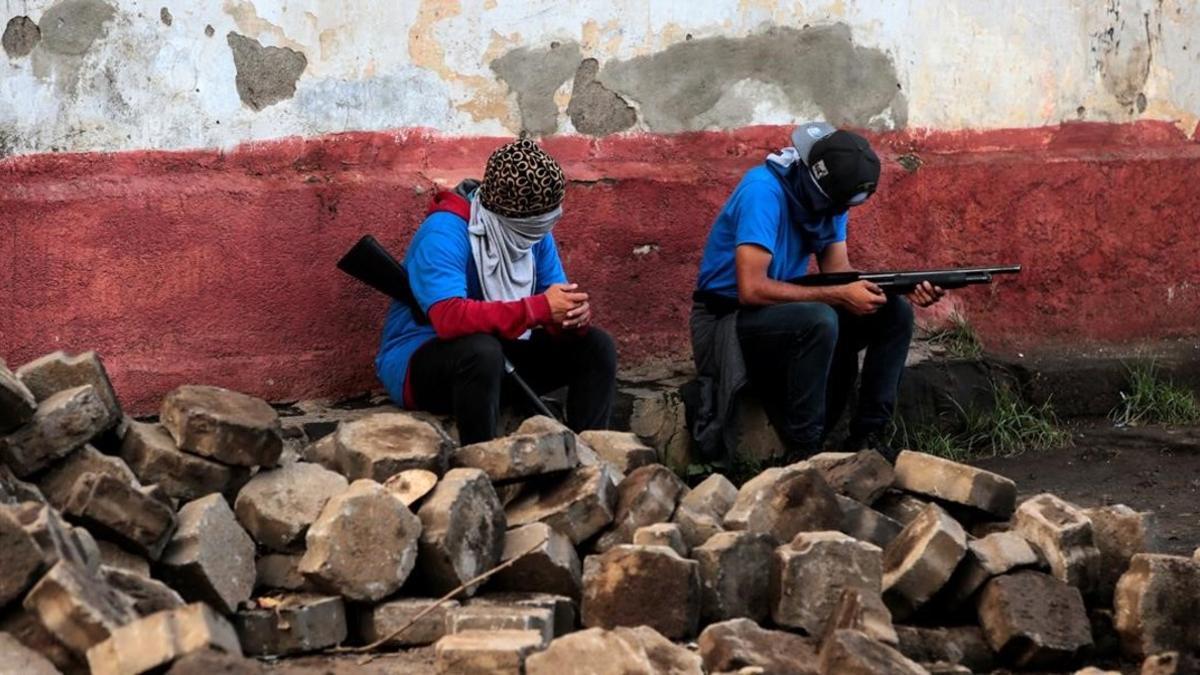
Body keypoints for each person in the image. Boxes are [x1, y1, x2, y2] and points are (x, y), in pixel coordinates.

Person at [690, 122, 944, 464]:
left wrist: (897, 289)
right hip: (727, 320)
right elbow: (751, 290)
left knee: (894, 313)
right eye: (835, 206)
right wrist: (839, 295)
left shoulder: (833, 199)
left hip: (781, 315)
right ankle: (805, 450)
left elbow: (838, 276)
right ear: (814, 180)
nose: (838, 214)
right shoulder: (762, 191)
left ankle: (867, 438)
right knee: (819, 318)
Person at [375, 138, 617, 445]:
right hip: (423, 363)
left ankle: (593, 453)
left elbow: (552, 303)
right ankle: (481, 464)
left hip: (501, 359)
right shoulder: (444, 232)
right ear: (508, 217)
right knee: (481, 351)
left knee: (596, 346)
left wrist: (572, 318)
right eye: (530, 227)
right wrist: (538, 309)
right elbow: (448, 318)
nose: (539, 234)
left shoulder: (533, 236)